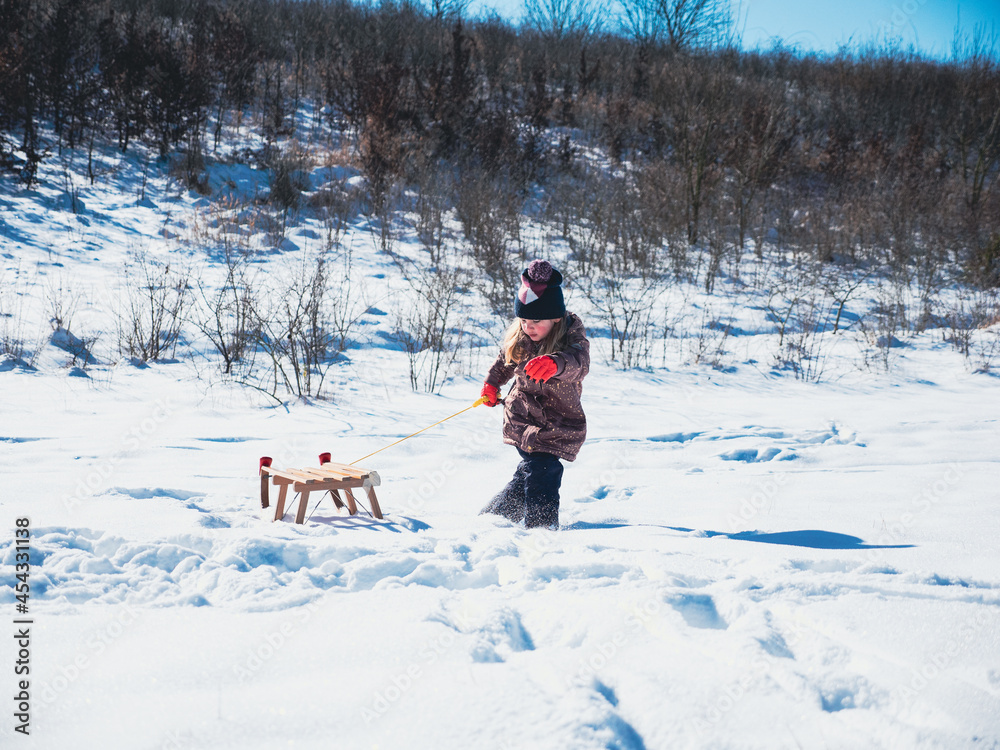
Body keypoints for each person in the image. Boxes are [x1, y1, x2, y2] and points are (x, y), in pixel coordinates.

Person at [479, 260, 590, 529]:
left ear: (555, 318)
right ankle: (541, 528)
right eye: (524, 320)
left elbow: (579, 361)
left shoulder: (571, 336)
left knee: (534, 470)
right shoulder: (523, 338)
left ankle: (496, 517)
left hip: (556, 422)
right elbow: (504, 361)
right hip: (521, 419)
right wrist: (492, 385)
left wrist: (556, 363)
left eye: (536, 321)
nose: (529, 326)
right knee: (543, 469)